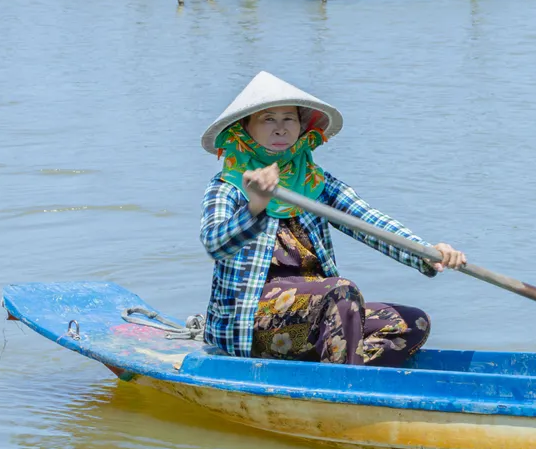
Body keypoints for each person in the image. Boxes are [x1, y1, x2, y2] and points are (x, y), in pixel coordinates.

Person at [199, 71, 466, 365]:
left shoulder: (314, 182)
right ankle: (347, 389)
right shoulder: (229, 186)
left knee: (411, 323)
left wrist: (427, 253)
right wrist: (256, 206)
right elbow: (216, 244)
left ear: (301, 127)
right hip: (250, 322)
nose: (280, 129)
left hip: (319, 311)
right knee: (341, 292)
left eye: (288, 118)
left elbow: (370, 222)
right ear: (245, 129)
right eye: (267, 119)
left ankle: (340, 368)